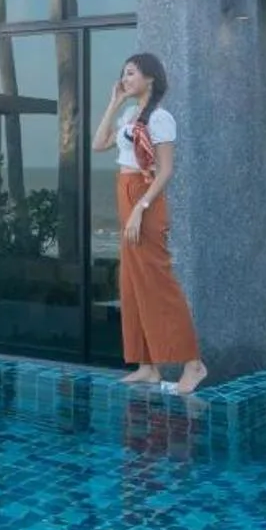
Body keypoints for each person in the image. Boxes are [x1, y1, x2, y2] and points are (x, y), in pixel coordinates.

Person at [92, 52, 206, 394]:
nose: (125, 79)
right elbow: (98, 144)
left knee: (157, 280)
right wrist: (114, 103)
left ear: (150, 78)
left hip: (145, 197)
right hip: (126, 191)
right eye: (123, 74)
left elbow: (166, 170)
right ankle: (147, 365)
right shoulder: (130, 114)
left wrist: (141, 207)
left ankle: (193, 363)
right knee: (131, 282)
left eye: (131, 74)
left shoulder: (161, 118)